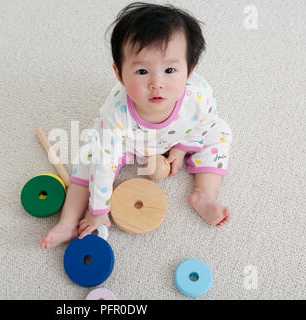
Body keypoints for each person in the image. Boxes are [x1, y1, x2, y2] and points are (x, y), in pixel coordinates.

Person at [41, 2, 233, 250]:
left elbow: (204, 121)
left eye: (170, 70)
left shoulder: (199, 97)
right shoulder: (115, 114)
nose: (157, 83)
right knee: (90, 155)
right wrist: (98, 209)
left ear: (189, 70)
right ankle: (68, 222)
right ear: (119, 74)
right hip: (127, 141)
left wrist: (184, 147)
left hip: (177, 136)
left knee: (221, 131)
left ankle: (204, 195)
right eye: (142, 71)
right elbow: (103, 161)